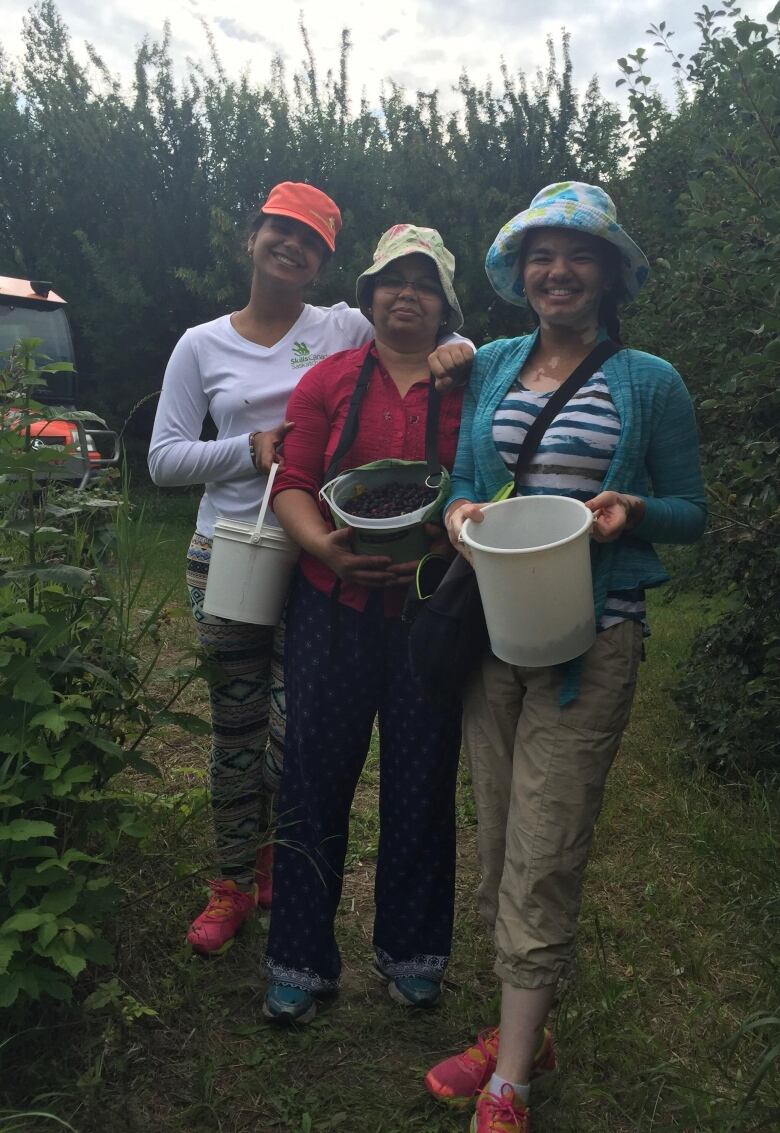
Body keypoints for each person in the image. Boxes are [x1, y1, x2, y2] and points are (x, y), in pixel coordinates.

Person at [422, 182, 706, 1132]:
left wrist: (631, 512)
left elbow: (691, 511)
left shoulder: (651, 381)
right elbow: (466, 477)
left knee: (546, 848)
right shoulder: (495, 363)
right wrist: (459, 512)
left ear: (611, 272)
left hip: (596, 632)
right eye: (543, 254)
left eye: (579, 255)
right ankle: (525, 1029)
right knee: (502, 832)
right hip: (498, 629)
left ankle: (511, 1080)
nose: (559, 270)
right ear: (523, 273)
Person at [148, 185, 472, 955]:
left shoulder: (341, 325)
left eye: (312, 240)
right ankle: (231, 879)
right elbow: (162, 459)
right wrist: (247, 446)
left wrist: (464, 352)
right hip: (231, 549)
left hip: (323, 559)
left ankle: (276, 856)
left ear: (328, 261)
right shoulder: (201, 343)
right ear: (251, 238)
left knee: (301, 739)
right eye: (280, 230)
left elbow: (418, 323)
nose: (292, 246)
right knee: (238, 726)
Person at [263, 224, 468, 1023]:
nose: (405, 293)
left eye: (423, 282)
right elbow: (294, 480)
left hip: (431, 609)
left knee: (422, 780)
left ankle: (413, 955)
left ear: (445, 303)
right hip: (331, 605)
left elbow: (489, 473)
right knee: (314, 778)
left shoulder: (470, 381)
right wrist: (329, 551)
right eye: (393, 279)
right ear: (369, 294)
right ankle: (300, 963)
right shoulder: (329, 379)